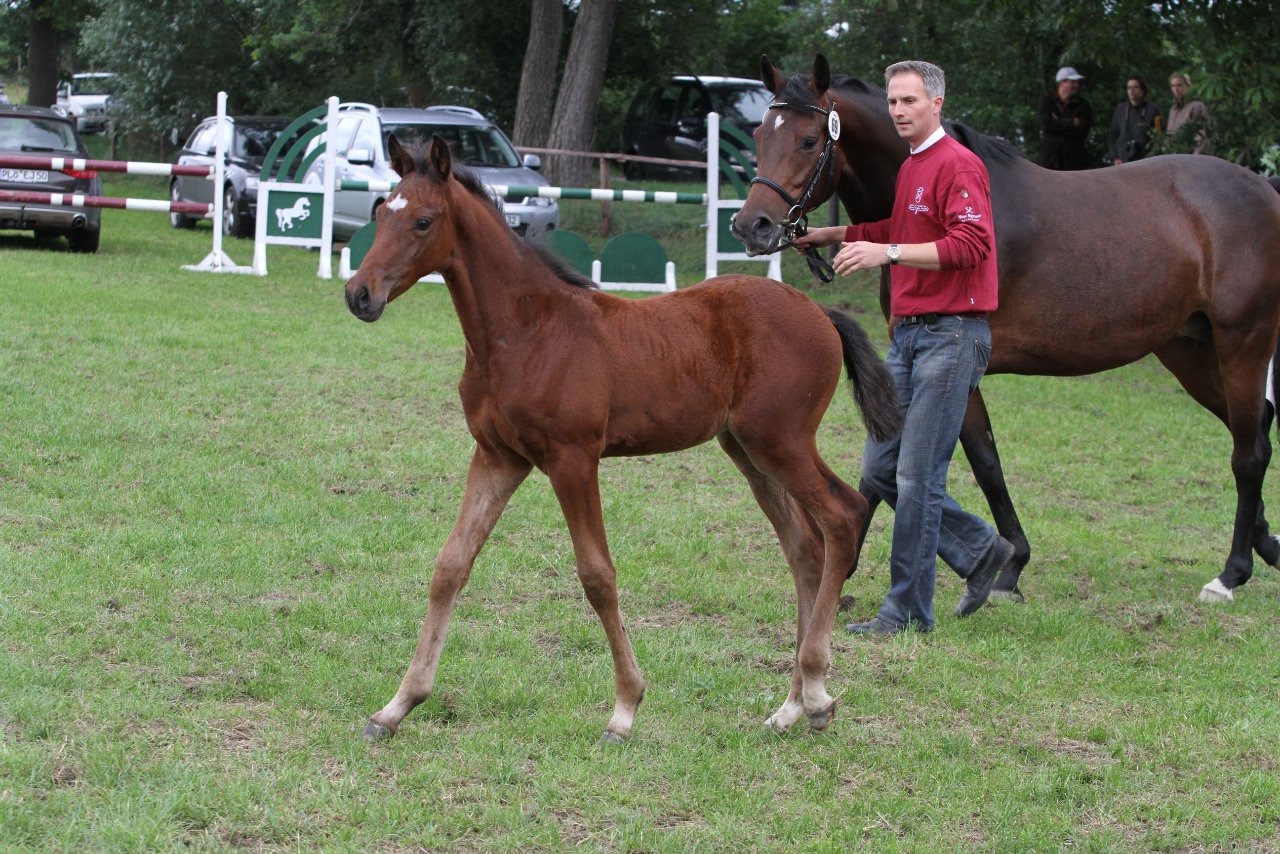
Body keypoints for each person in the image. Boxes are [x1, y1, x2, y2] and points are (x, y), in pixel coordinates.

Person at [794, 60, 1014, 634]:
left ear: (936, 104)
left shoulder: (959, 165)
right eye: (893, 102)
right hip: (910, 337)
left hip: (952, 335)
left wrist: (885, 255)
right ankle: (982, 549)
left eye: (909, 101)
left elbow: (971, 244)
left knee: (918, 476)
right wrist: (834, 233)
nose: (898, 111)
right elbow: (902, 228)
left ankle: (908, 611)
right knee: (883, 470)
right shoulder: (914, 166)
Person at [1038, 66, 1093, 170]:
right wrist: (1071, 122)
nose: (1076, 85)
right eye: (1072, 82)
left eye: (1077, 82)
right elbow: (1046, 125)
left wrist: (1057, 122)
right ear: (1062, 83)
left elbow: (1082, 131)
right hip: (1051, 159)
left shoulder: (1083, 105)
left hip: (1075, 160)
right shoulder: (1047, 102)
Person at [1108, 76, 1162, 165]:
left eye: (1135, 87)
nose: (1131, 91)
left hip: (1144, 160)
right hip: (1122, 161)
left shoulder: (1152, 110)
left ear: (1143, 90)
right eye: (1129, 88)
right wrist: (1115, 157)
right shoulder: (1121, 109)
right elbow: (1113, 136)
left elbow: (1159, 137)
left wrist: (1151, 157)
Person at [1166, 72, 1211, 155]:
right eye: (1173, 86)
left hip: (1191, 158)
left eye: (1179, 85)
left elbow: (1202, 136)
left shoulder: (1197, 106)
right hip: (1174, 157)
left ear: (1187, 86)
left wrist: (1196, 158)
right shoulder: (1173, 110)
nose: (1176, 89)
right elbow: (1170, 135)